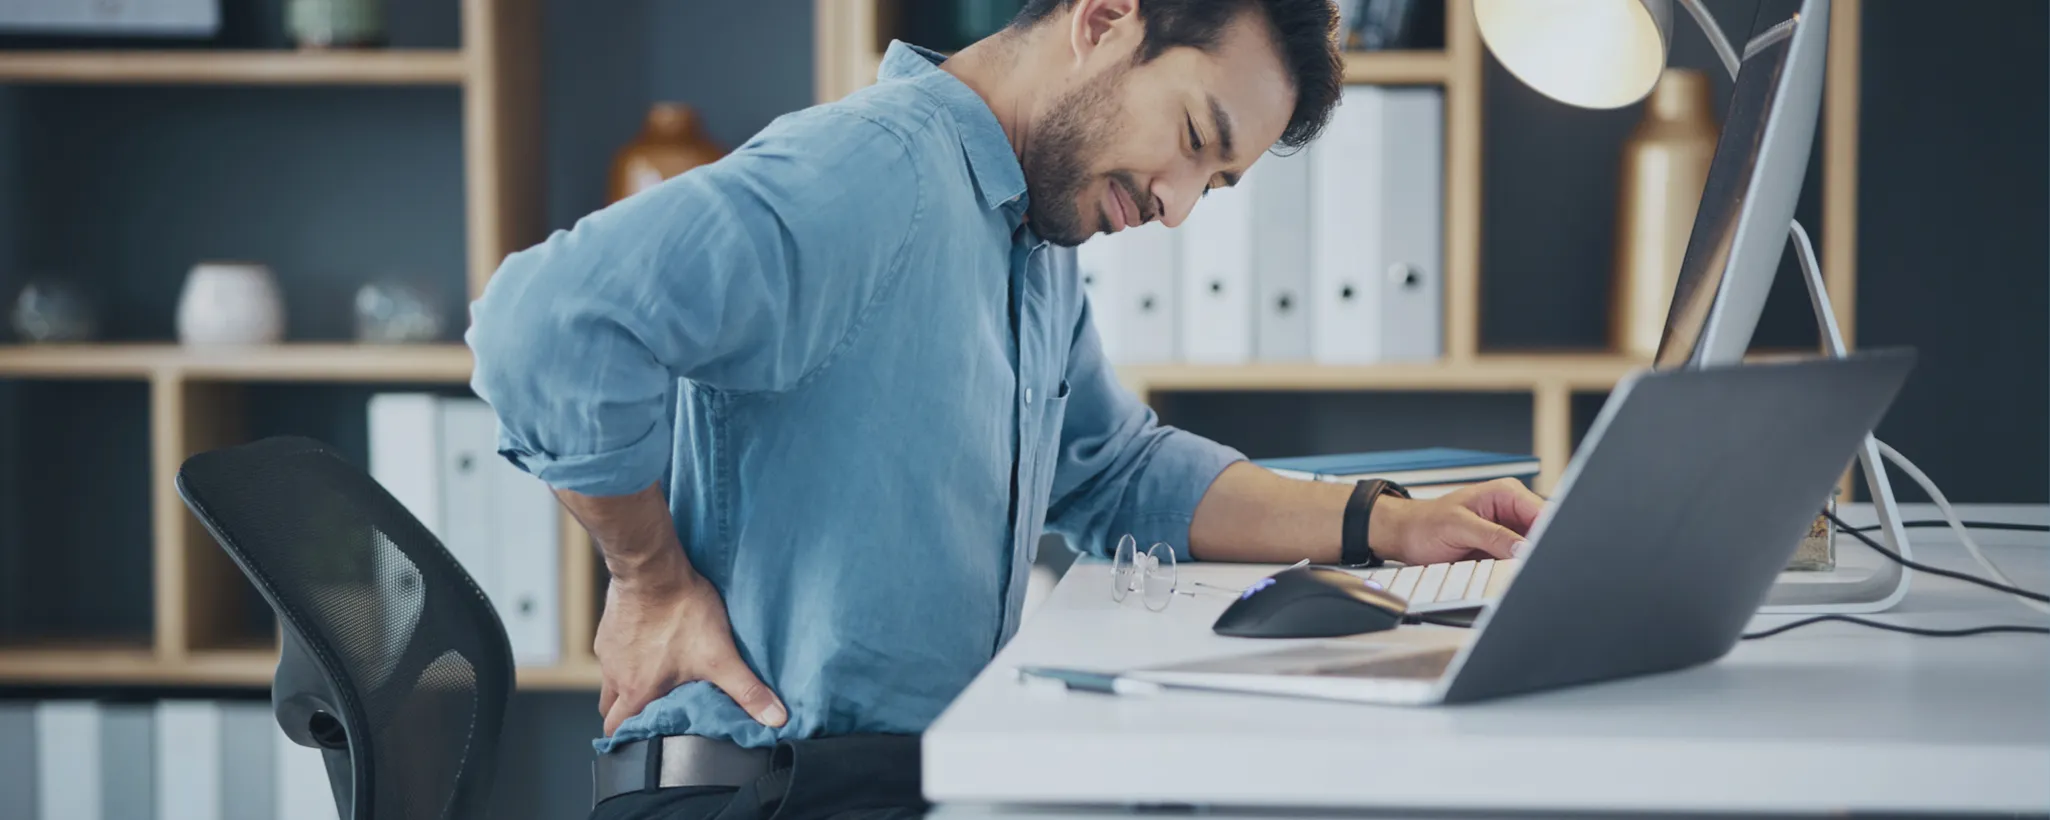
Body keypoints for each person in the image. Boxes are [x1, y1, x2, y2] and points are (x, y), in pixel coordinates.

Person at [466, 0, 1547, 816]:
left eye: (1210, 186)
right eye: (1191, 139)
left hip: (888, 781)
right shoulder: (877, 173)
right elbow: (542, 320)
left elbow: (1117, 468)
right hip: (761, 790)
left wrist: (1388, 522)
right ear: (1105, 17)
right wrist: (647, 577)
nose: (1172, 208)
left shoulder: (1025, 232)